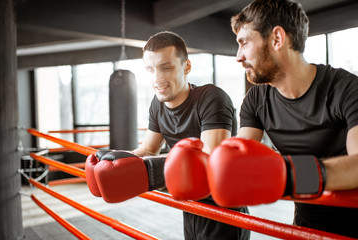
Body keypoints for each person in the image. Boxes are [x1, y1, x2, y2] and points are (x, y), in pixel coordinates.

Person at [210, 0, 358, 238]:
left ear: (277, 39)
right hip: (305, 226)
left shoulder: (346, 89)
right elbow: (239, 158)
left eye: (244, 43)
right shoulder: (255, 100)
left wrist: (288, 175)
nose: (238, 56)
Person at [85, 31, 250, 240]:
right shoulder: (158, 104)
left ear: (186, 67)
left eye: (166, 67)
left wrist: (150, 173)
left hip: (224, 207)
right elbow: (148, 149)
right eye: (150, 69)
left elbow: (209, 159)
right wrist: (117, 161)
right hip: (191, 204)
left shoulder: (211, 98)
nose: (158, 78)